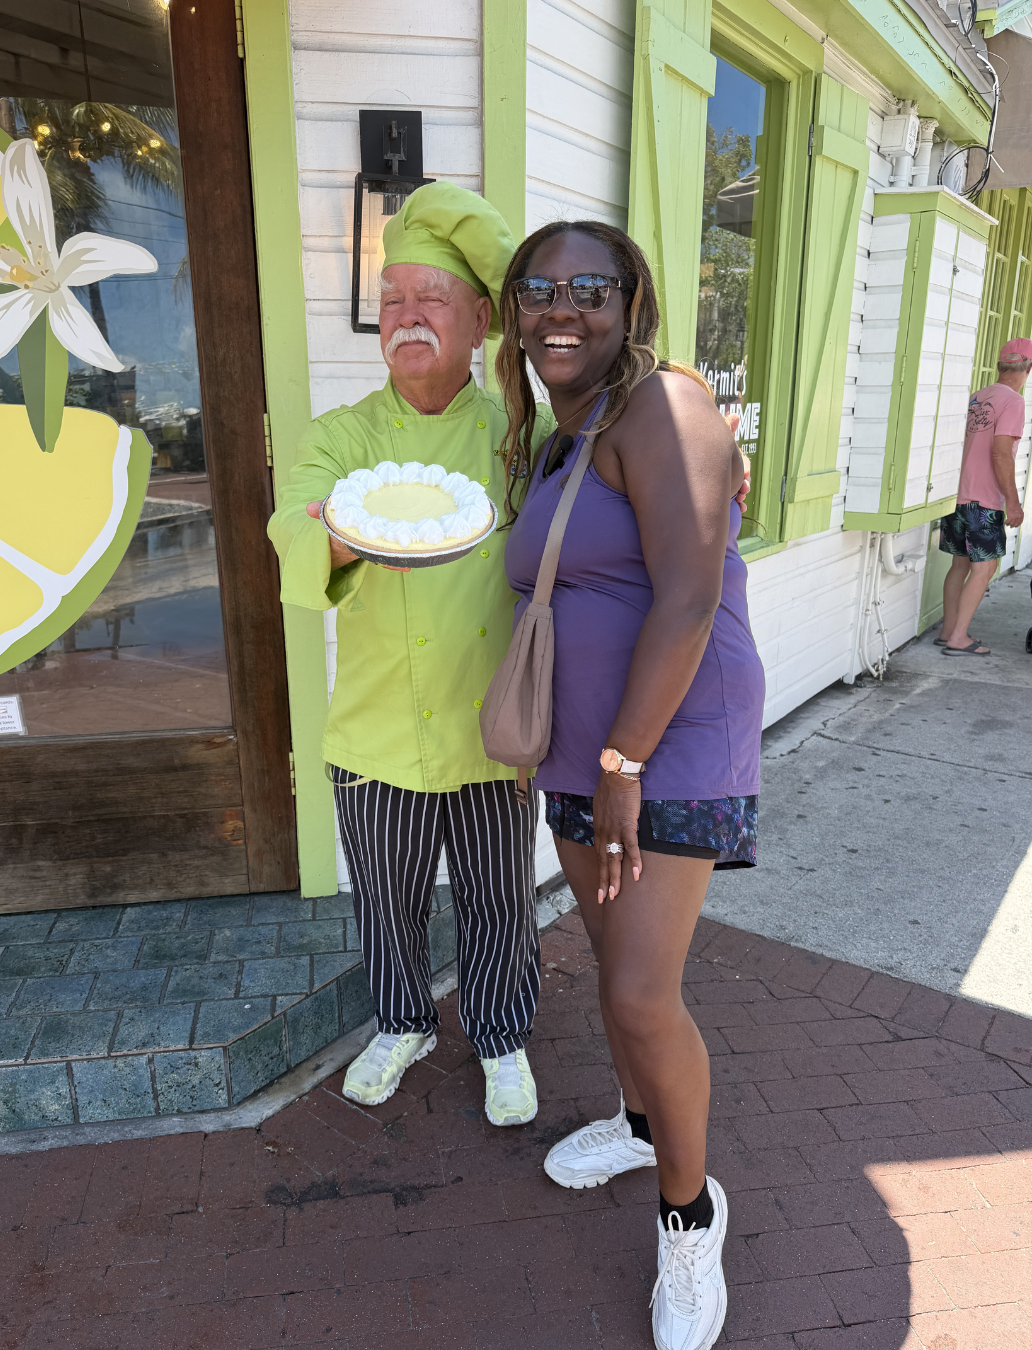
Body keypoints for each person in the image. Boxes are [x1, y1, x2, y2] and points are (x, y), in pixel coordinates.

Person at [499, 221, 764, 1350]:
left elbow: (690, 597)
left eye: (588, 289)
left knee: (643, 994)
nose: (562, 309)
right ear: (514, 312)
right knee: (615, 975)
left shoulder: (665, 405)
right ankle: (642, 1121)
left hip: (660, 748)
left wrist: (623, 765)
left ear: (631, 303)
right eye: (538, 289)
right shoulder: (561, 436)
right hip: (585, 749)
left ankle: (690, 1220)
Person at [267, 182, 555, 1126]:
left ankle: (502, 1034)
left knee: (498, 903)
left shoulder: (523, 437)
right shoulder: (343, 438)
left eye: (432, 299)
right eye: (392, 300)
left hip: (491, 731)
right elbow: (290, 531)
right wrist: (350, 530)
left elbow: (619, 481)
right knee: (384, 907)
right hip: (377, 734)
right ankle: (402, 1022)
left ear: (480, 320)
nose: (407, 317)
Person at [938, 337, 1031, 655]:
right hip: (984, 500)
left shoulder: (977, 397)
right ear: (1028, 369)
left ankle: (948, 630)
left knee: (959, 564)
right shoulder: (1014, 402)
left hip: (958, 495)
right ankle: (958, 638)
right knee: (986, 567)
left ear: (1000, 365)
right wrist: (1013, 502)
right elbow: (1002, 453)